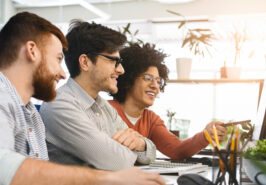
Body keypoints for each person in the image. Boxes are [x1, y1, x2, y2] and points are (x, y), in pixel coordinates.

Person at [0, 12, 165, 185]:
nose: (63, 74)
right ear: (32, 51)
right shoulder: (7, 99)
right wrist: (109, 177)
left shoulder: (30, 112)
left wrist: (139, 144)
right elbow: (4, 167)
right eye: (57, 59)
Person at [40, 20, 156, 171]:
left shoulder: (104, 107)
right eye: (113, 61)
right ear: (85, 62)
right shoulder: (59, 104)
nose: (121, 70)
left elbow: (150, 152)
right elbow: (116, 162)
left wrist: (141, 144)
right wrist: (123, 151)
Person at [109, 43, 227, 160]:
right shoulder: (106, 110)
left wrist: (206, 136)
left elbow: (177, 150)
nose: (155, 86)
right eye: (148, 78)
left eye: (158, 81)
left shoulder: (151, 119)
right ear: (128, 80)